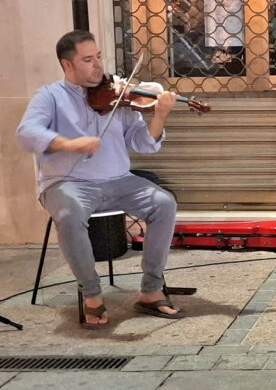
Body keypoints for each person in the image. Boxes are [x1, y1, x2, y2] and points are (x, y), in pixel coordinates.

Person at [16, 30, 185, 329]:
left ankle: (150, 290)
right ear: (67, 65)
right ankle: (92, 294)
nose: (98, 66)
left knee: (164, 203)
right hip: (66, 183)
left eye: (98, 57)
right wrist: (69, 144)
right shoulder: (50, 96)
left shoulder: (117, 94)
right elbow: (26, 133)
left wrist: (160, 116)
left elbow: (143, 143)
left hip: (119, 180)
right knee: (69, 215)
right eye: (87, 60)